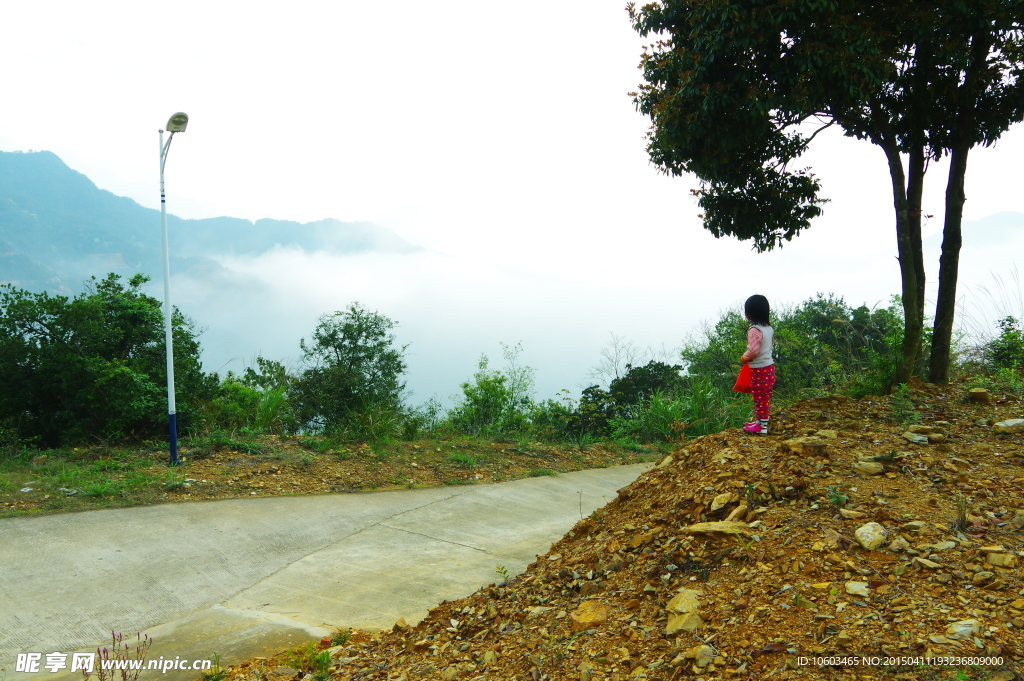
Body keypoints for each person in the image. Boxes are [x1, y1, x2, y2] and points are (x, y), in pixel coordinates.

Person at [739, 294, 775, 435]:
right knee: (764, 397)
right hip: (769, 367)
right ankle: (760, 422)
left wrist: (744, 357)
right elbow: (769, 345)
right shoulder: (769, 328)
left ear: (750, 313)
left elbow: (753, 351)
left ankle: (762, 427)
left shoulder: (754, 330)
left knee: (759, 397)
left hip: (759, 369)